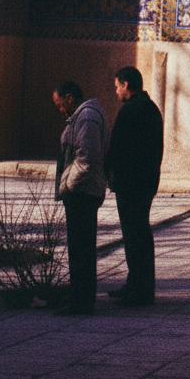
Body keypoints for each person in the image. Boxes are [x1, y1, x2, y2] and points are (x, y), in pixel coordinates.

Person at [104, 66, 164, 306]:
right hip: (146, 181)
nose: (116, 91)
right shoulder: (151, 109)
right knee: (140, 232)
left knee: (134, 234)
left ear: (127, 85)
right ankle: (139, 284)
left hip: (131, 183)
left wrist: (107, 171)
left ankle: (139, 288)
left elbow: (118, 147)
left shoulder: (131, 111)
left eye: (117, 86)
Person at [52, 80, 110, 316]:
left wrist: (68, 184)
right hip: (84, 191)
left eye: (59, 104)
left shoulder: (86, 117)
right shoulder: (85, 115)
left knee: (81, 249)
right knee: (80, 249)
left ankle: (82, 300)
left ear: (69, 97)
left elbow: (86, 157)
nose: (60, 110)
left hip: (83, 193)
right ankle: (79, 295)